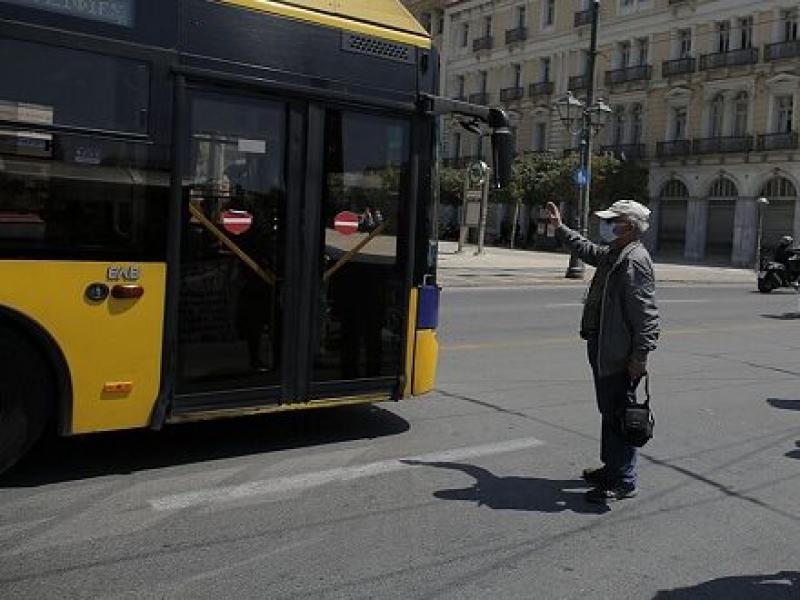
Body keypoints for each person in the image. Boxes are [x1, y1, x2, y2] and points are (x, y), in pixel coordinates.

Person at [545, 199, 661, 504]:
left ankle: (623, 480)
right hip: (604, 345)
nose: (607, 225)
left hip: (618, 352)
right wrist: (560, 228)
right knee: (610, 412)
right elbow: (588, 250)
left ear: (629, 226)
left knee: (620, 415)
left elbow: (647, 316)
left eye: (613, 221)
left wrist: (639, 357)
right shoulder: (616, 253)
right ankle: (613, 468)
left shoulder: (634, 260)